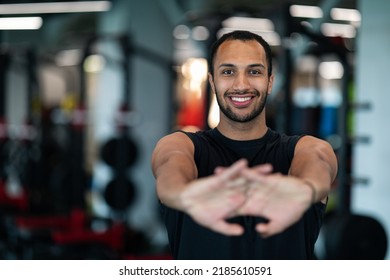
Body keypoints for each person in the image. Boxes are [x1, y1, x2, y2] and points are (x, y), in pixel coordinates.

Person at [151, 30, 338, 259]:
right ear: (212, 81)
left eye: (254, 71)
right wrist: (183, 195)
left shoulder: (305, 148)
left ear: (270, 81)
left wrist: (305, 189)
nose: (241, 84)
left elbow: (318, 163)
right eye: (228, 72)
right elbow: (170, 168)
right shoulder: (181, 144)